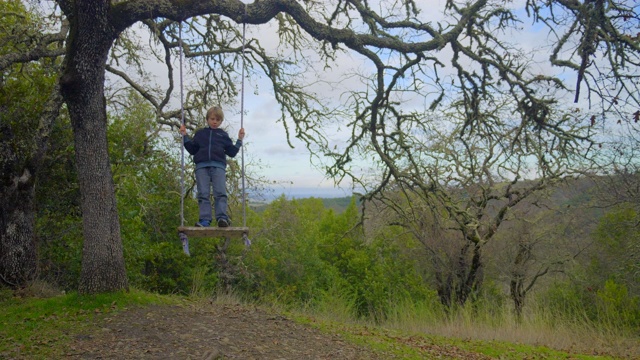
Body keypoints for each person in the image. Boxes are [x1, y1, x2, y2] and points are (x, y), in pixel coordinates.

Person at [179, 106, 245, 227]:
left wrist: (239, 140)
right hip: (201, 166)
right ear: (207, 119)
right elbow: (193, 150)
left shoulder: (223, 135)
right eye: (212, 119)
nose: (215, 122)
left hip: (218, 166)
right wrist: (185, 137)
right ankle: (205, 220)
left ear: (221, 121)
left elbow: (232, 152)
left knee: (220, 192)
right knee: (203, 193)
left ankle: (222, 218)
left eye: (218, 120)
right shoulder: (200, 134)